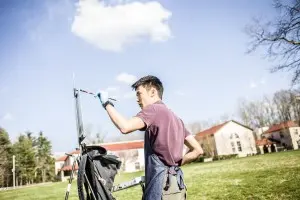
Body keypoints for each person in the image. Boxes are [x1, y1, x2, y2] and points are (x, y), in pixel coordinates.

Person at [97, 75, 203, 200]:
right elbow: (198, 150)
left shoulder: (154, 109)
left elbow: (125, 127)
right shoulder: (176, 119)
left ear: (153, 92)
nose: (137, 100)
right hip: (175, 188)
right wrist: (175, 164)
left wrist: (106, 103)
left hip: (159, 189)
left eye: (139, 94)